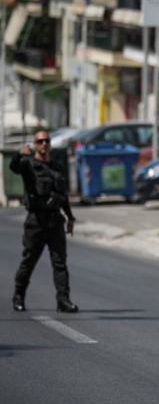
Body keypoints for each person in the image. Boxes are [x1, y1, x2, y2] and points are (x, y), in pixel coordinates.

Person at [10, 131, 79, 313]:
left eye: (47, 141)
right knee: (29, 261)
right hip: (36, 222)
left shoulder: (57, 167)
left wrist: (70, 217)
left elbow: (62, 196)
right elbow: (13, 168)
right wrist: (19, 154)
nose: (44, 144)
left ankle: (63, 300)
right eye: (40, 141)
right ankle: (19, 295)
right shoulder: (28, 166)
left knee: (60, 263)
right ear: (35, 144)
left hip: (55, 221)